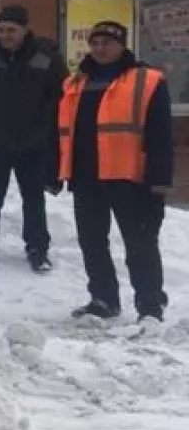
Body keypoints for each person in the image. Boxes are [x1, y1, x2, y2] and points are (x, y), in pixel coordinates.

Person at [58, 20, 172, 323]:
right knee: (92, 242)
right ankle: (103, 299)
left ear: (121, 45)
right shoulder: (76, 83)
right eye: (94, 43)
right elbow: (63, 130)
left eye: (106, 43)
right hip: (85, 176)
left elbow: (161, 135)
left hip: (128, 177)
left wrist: (159, 180)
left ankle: (150, 306)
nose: (99, 48)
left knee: (140, 243)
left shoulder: (147, 80)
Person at [0, 6, 66, 273]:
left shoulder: (46, 57)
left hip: (33, 143)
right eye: (1, 29)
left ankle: (38, 250)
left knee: (34, 199)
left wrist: (54, 137)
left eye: (12, 30)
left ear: (25, 29)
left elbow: (61, 99)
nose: (5, 35)